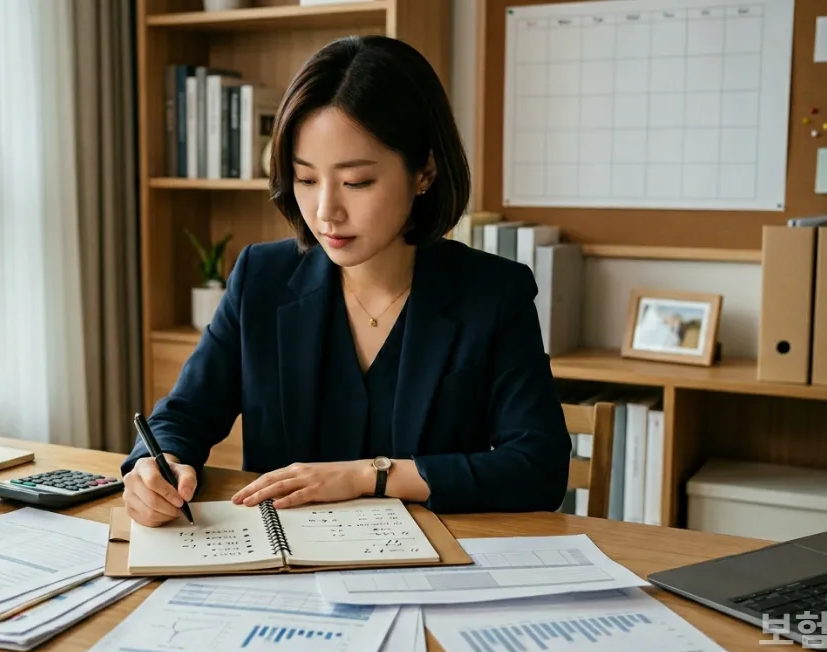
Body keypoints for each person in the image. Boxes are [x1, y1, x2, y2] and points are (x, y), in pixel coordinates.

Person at [121, 35, 570, 527]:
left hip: (434, 574)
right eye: (306, 179)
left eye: (356, 182)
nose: (324, 212)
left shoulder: (493, 292)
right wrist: (152, 467)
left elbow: (538, 468)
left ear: (425, 170)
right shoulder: (262, 278)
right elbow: (182, 416)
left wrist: (369, 476)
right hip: (282, 566)